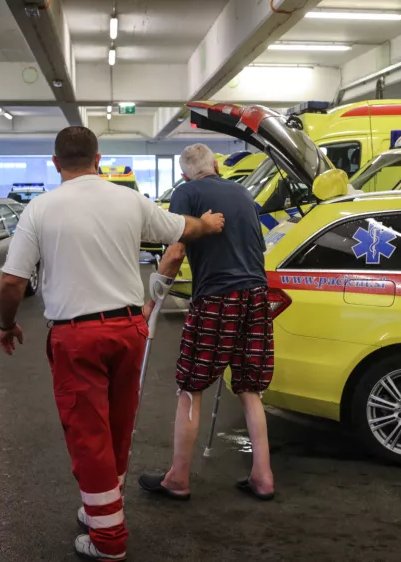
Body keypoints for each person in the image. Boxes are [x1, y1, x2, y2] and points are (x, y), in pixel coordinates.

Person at [0, 127, 225, 561]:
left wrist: (6, 324)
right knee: (117, 428)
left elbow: (10, 282)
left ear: (56, 163)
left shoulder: (40, 208)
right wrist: (209, 224)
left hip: (77, 337)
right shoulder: (128, 200)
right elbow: (183, 227)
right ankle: (103, 510)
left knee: (89, 436)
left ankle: (109, 540)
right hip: (128, 330)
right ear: (98, 159)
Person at [138, 143, 275, 502]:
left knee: (191, 386)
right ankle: (263, 476)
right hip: (257, 295)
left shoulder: (187, 192)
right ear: (216, 165)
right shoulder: (244, 193)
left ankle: (178, 478)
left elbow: (175, 252)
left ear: (184, 175)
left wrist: (152, 301)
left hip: (217, 297)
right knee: (249, 387)